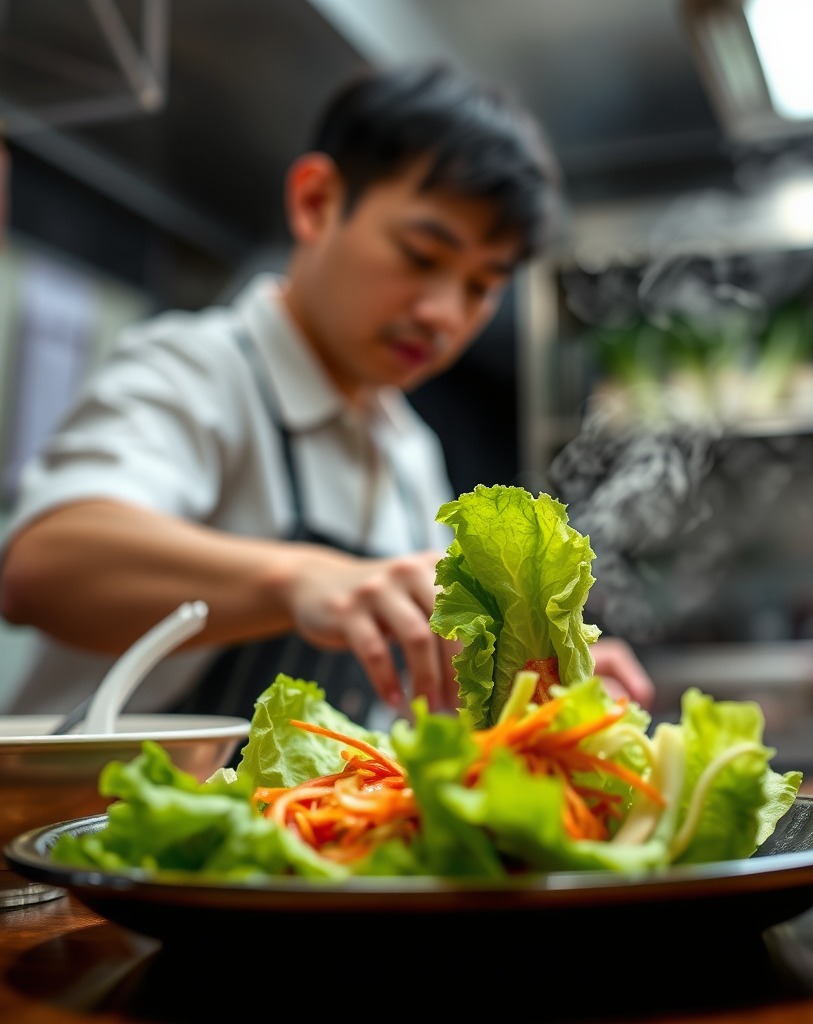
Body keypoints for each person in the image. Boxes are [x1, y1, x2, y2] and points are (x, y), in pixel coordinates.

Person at [0, 63, 655, 726]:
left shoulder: (407, 452)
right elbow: (43, 565)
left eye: (481, 286)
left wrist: (520, 675)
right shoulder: (196, 370)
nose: (443, 313)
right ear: (316, 202)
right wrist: (302, 579)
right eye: (422, 255)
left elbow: (412, 693)